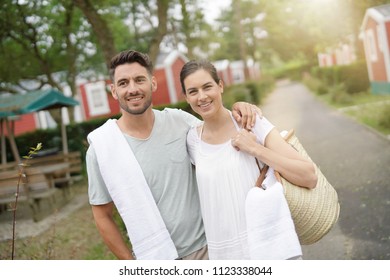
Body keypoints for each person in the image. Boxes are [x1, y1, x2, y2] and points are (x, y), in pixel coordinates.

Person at [86, 50, 261, 260]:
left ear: (153, 83)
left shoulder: (179, 121)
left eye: (139, 80)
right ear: (114, 91)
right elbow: (102, 216)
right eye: (123, 83)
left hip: (207, 249)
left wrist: (239, 107)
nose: (132, 89)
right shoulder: (102, 148)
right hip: (153, 259)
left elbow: (219, 130)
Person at [181, 60, 318, 260]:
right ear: (185, 97)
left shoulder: (251, 123)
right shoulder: (193, 140)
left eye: (207, 87)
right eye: (193, 91)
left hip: (266, 248)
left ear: (220, 86)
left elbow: (309, 176)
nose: (201, 97)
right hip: (224, 255)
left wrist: (255, 148)